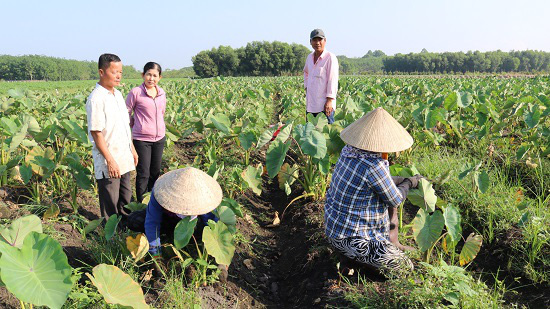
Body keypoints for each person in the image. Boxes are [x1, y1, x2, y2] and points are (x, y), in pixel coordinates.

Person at [324, 107, 423, 276]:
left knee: (392, 255)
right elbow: (395, 199)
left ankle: (377, 250)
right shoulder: (373, 165)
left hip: (335, 231)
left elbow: (380, 181)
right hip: (353, 240)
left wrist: (404, 181)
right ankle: (362, 264)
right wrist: (409, 182)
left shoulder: (348, 152)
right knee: (405, 266)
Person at [126, 167, 227, 278]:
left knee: (201, 229)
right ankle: (166, 238)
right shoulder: (161, 191)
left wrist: (221, 261)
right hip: (168, 221)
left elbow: (214, 227)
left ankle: (188, 243)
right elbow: (152, 222)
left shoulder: (205, 199)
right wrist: (156, 255)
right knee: (134, 220)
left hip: (192, 226)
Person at [86, 53, 138, 221]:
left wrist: (132, 148)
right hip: (109, 160)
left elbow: (124, 126)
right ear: (102, 72)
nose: (118, 76)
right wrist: (110, 160)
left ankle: (126, 232)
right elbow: (96, 133)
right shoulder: (96, 99)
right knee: (111, 202)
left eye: (120, 72)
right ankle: (111, 241)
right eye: (114, 72)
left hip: (124, 156)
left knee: (126, 199)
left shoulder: (118, 95)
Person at [126, 62, 167, 203]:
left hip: (159, 138)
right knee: (143, 173)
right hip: (142, 139)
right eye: (148, 74)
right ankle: (142, 204)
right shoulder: (136, 92)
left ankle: (153, 202)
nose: (151, 78)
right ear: (143, 75)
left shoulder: (162, 93)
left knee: (155, 172)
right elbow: (126, 112)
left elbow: (162, 112)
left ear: (160, 77)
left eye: (155, 75)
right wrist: (136, 124)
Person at [303, 28, 339, 124]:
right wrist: (306, 86)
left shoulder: (330, 57)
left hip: (324, 106)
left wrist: (330, 100)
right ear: (310, 42)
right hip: (311, 105)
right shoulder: (309, 58)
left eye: (320, 39)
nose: (317, 42)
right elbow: (306, 72)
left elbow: (333, 80)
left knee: (325, 135)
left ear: (325, 41)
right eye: (314, 40)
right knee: (310, 135)